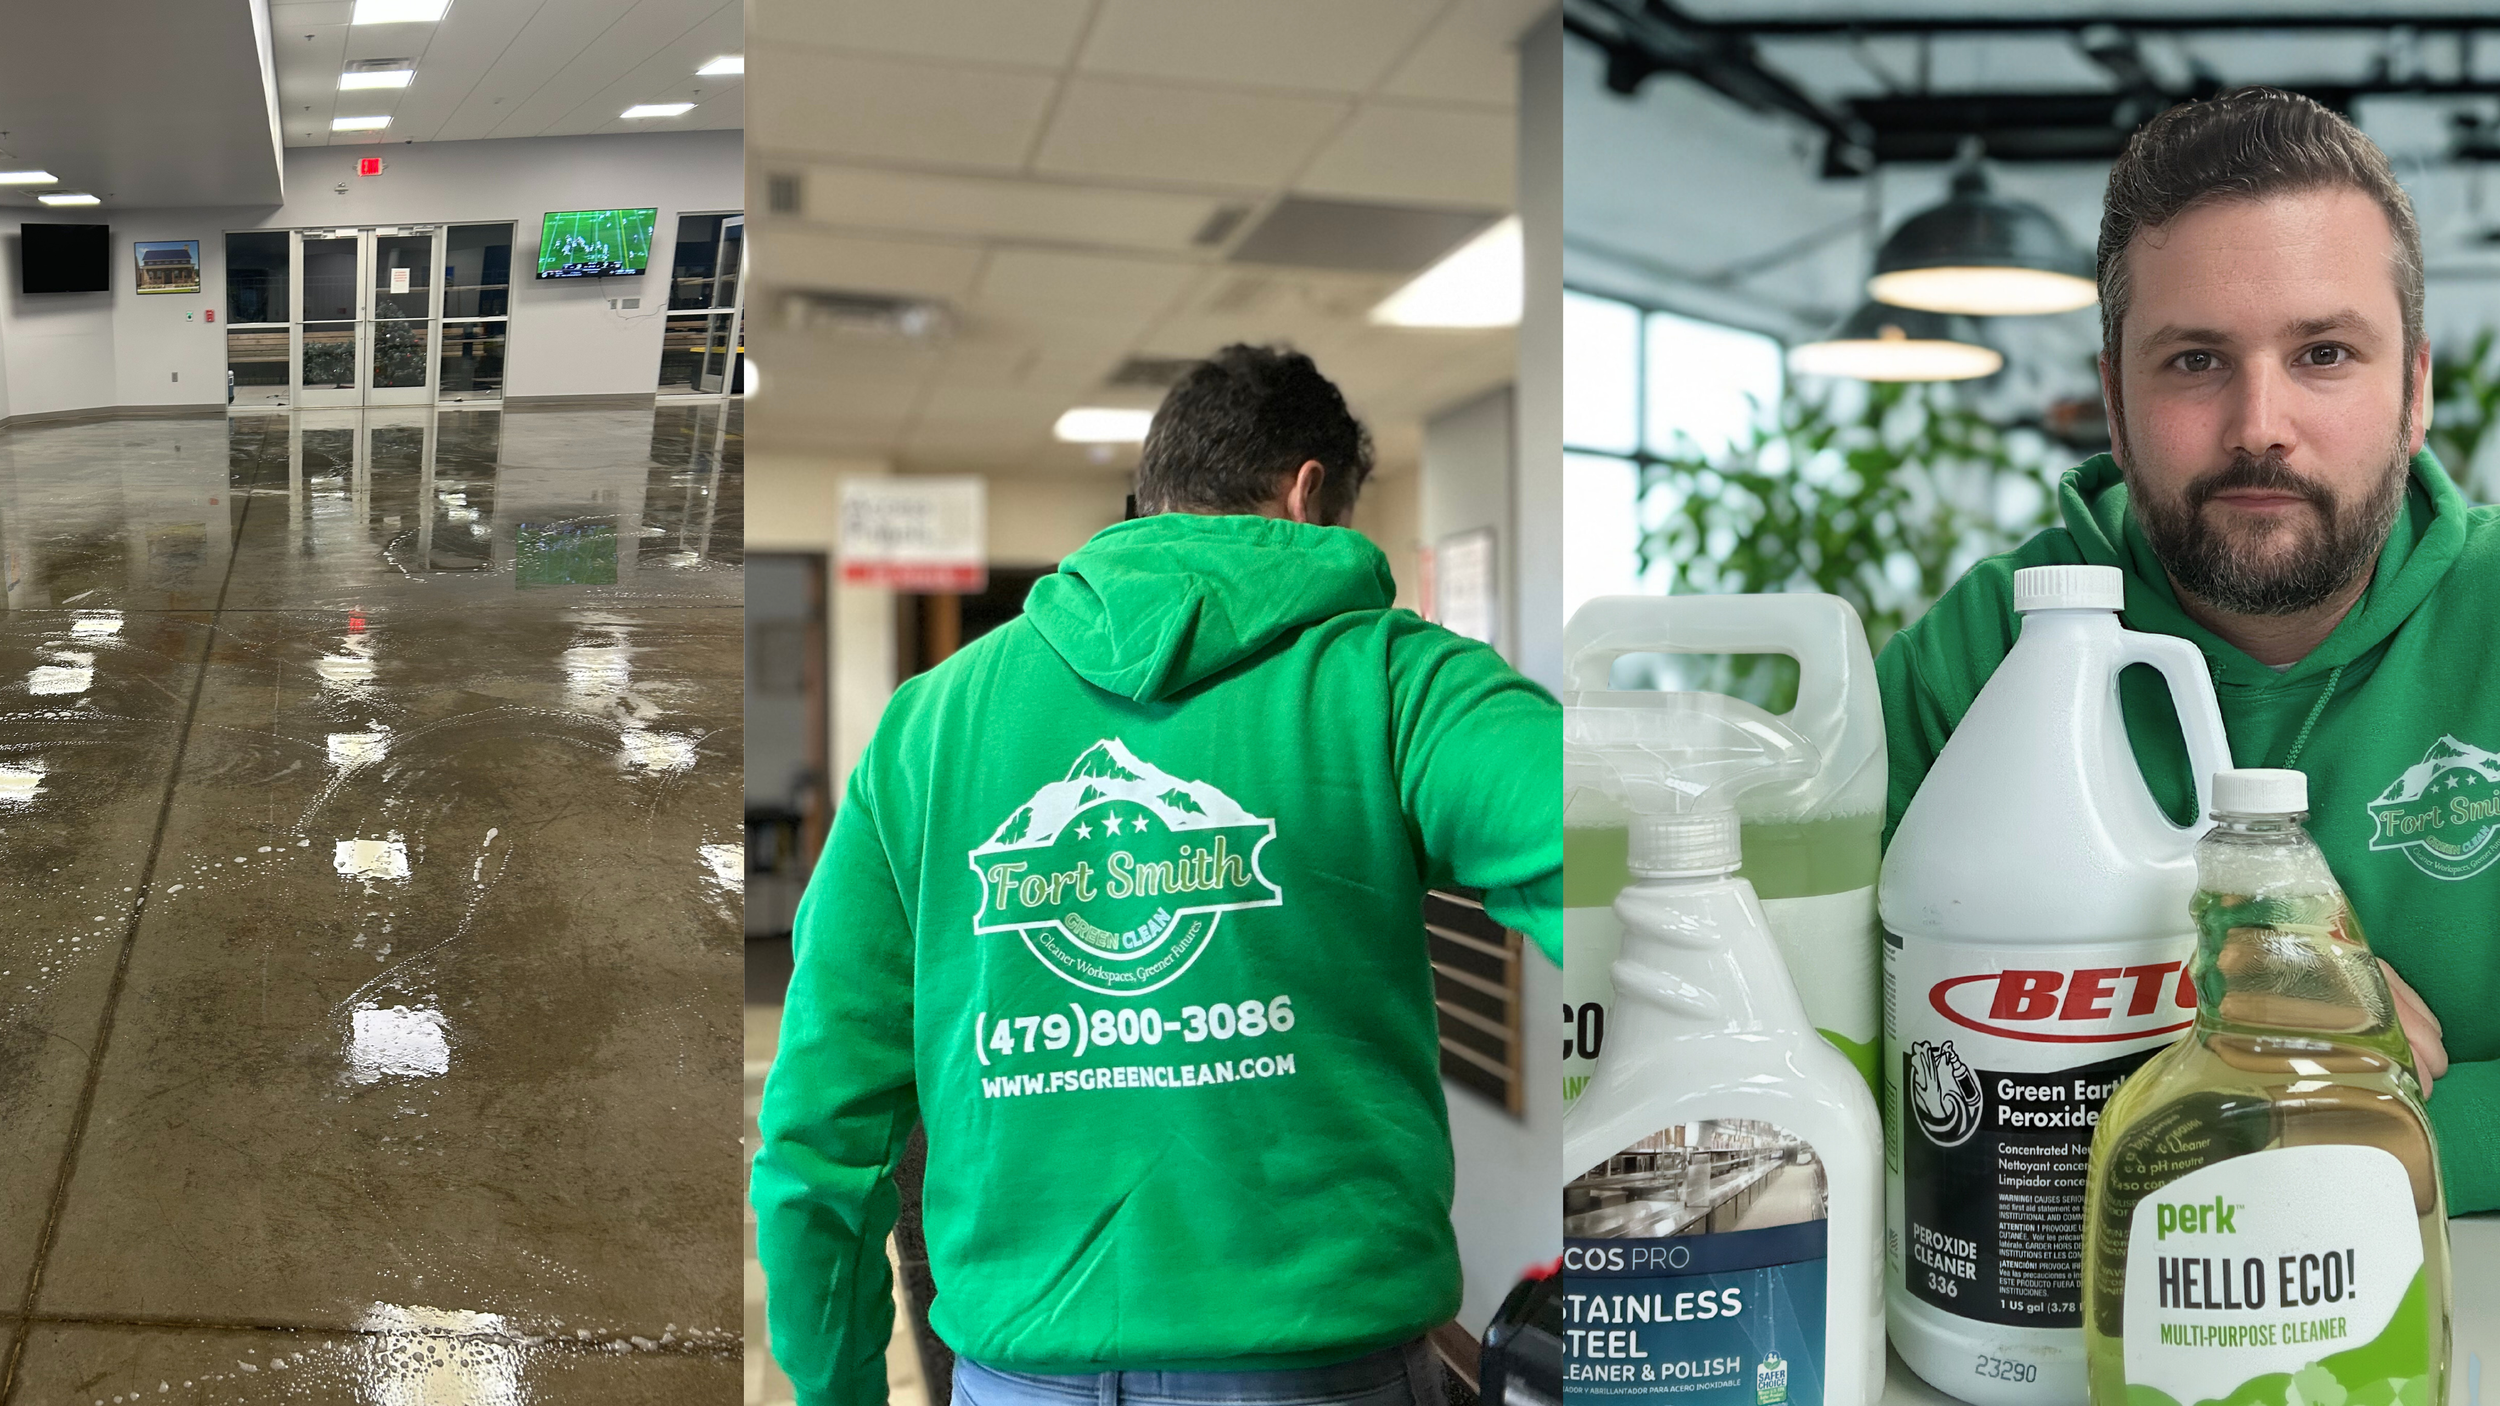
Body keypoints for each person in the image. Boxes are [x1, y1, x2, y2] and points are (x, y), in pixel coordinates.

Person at [751, 344, 1561, 1405]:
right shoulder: (1394, 678)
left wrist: (839, 1390)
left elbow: (817, 1134)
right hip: (1320, 1376)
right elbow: (1616, 847)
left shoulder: (923, 728)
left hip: (1019, 1378)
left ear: (1152, 492)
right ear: (1310, 492)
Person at [1879, 88, 2496, 1212]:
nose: (2259, 421)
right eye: (2195, 361)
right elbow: (1847, 1069)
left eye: (2322, 351)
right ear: (2111, 403)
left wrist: (2302, 1134)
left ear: (2412, 394)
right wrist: (2197, 985)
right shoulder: (1967, 662)